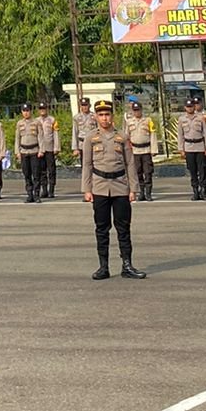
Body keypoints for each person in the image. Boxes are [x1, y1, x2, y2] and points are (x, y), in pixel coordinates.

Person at [82, 100, 145, 280]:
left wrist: (133, 188)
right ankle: (103, 267)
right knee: (102, 228)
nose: (104, 118)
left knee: (123, 228)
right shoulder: (90, 138)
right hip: (99, 186)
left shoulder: (122, 137)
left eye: (107, 114)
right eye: (101, 114)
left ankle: (127, 265)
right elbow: (86, 164)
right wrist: (87, 189)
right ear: (96, 116)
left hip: (120, 187)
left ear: (112, 116)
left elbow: (130, 163)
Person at [179, 97, 206, 201]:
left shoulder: (201, 118)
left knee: (202, 170)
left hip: (200, 146)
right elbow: (180, 135)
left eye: (191, 106)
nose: (190, 108)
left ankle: (203, 191)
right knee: (192, 171)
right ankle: (195, 191)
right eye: (188, 107)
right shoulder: (182, 119)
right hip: (188, 147)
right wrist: (181, 149)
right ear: (185, 107)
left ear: (194, 107)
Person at [124, 100, 157, 201]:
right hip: (135, 151)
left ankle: (148, 193)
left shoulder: (148, 120)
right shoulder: (129, 122)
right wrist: (127, 151)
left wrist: (154, 149)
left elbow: (153, 135)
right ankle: (141, 193)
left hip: (146, 150)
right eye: (135, 110)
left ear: (141, 110)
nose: (136, 112)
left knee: (148, 172)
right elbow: (126, 137)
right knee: (137, 173)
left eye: (138, 110)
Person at [14, 103, 41, 203]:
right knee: (27, 174)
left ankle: (37, 194)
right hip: (24, 151)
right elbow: (17, 138)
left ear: (31, 111)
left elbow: (40, 137)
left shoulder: (36, 122)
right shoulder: (19, 123)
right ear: (22, 112)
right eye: (24, 111)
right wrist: (17, 152)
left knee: (36, 174)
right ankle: (29, 194)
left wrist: (41, 150)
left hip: (34, 151)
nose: (26, 113)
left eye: (27, 110)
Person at [36, 102, 60, 199]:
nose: (42, 110)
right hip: (40, 149)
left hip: (50, 148)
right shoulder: (36, 121)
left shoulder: (52, 120)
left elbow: (56, 134)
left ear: (47, 109)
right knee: (41, 171)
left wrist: (57, 147)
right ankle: (44, 190)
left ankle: (51, 190)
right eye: (41, 108)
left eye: (44, 108)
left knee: (51, 170)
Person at [72, 97, 97, 163]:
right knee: (84, 164)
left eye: (86, 105)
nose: (84, 107)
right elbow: (75, 133)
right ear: (80, 106)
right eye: (83, 105)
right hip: (82, 144)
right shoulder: (76, 117)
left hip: (93, 143)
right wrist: (75, 148)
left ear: (89, 105)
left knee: (94, 163)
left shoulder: (95, 116)